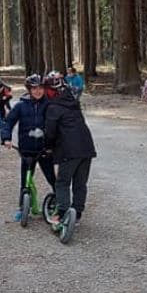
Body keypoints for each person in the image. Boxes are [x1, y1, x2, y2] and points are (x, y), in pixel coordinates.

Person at [1, 74, 56, 221]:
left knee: (52, 179)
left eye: (40, 88)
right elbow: (8, 122)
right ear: (29, 90)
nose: (38, 91)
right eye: (34, 88)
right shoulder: (20, 105)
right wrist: (6, 138)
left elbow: (57, 124)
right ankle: (22, 207)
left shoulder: (49, 104)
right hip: (27, 150)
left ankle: (60, 205)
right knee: (25, 180)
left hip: (45, 150)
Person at [44, 77, 97, 223]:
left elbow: (50, 132)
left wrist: (47, 147)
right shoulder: (74, 104)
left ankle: (61, 213)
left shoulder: (53, 108)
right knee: (80, 183)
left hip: (69, 150)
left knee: (62, 182)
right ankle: (77, 213)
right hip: (87, 148)